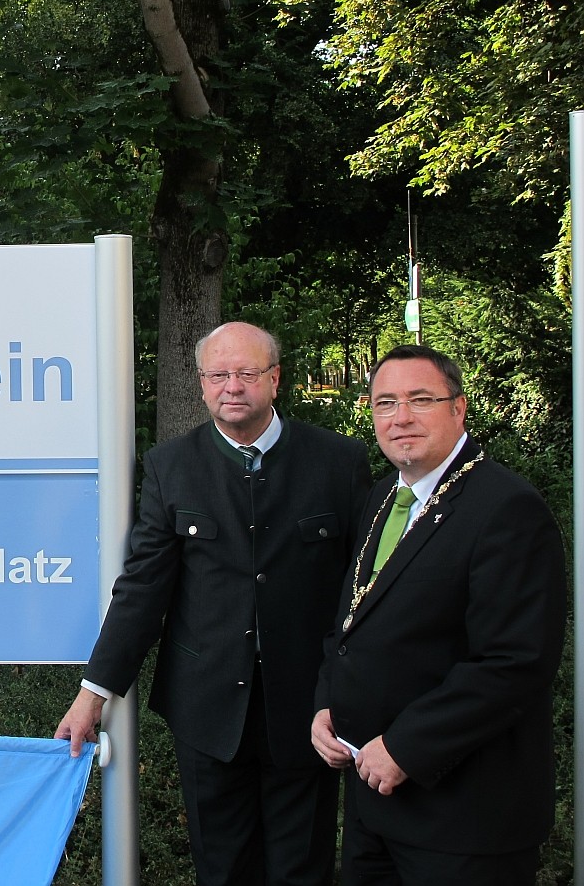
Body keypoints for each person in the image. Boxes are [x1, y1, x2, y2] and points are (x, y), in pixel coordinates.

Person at [56, 321, 370, 886]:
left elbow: (362, 591)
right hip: (206, 713)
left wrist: (356, 692)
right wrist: (94, 691)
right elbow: (143, 586)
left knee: (304, 870)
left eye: (247, 373)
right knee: (222, 872)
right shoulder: (169, 467)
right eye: (218, 374)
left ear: (275, 380)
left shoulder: (339, 463)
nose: (232, 386)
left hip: (309, 711)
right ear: (201, 384)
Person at [311, 345, 565, 886]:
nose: (400, 417)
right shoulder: (383, 497)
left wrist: (406, 747)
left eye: (420, 399)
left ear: (459, 408)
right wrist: (327, 704)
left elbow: (513, 662)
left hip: (464, 820)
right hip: (373, 806)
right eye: (385, 404)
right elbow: (351, 621)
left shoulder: (505, 509)